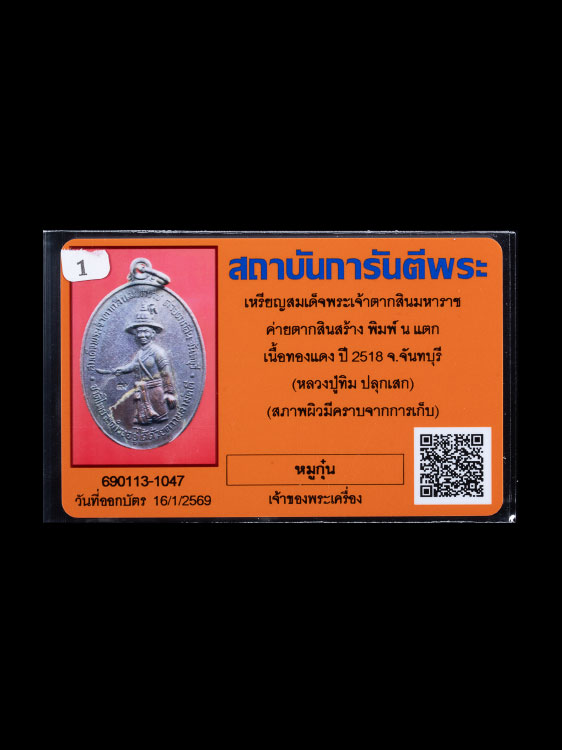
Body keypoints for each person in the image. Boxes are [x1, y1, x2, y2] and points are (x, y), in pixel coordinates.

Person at [102, 305, 178, 426]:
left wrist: (169, 392)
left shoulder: (158, 352)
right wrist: (121, 369)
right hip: (142, 391)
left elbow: (166, 372)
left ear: (152, 334)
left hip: (155, 392)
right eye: (139, 332)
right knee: (144, 420)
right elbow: (133, 365)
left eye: (145, 331)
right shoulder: (140, 352)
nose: (142, 335)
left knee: (160, 419)